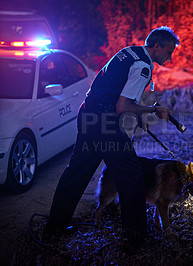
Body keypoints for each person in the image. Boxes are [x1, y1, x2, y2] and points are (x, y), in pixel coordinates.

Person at [43, 26, 180, 250]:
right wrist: (152, 110)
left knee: (76, 172)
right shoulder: (143, 66)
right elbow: (122, 105)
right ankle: (136, 239)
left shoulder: (130, 52)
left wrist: (138, 115)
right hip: (103, 122)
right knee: (132, 173)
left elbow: (119, 95)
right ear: (157, 46)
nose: (170, 56)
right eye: (168, 51)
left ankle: (54, 228)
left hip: (88, 114)